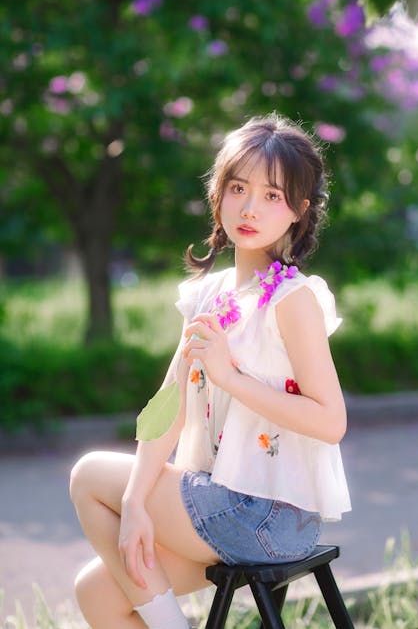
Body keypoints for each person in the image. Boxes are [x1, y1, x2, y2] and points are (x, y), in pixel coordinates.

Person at [70, 113, 351, 629]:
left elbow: (331, 421)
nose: (249, 207)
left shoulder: (293, 300)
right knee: (96, 593)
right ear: (217, 193)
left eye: (272, 195)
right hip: (216, 502)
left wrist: (230, 377)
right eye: (238, 187)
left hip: (269, 514)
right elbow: (169, 406)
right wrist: (134, 501)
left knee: (88, 473)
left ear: (299, 211)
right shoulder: (209, 296)